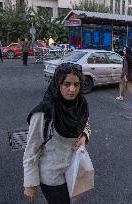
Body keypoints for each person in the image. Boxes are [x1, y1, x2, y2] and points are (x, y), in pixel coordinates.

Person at [23, 62, 91, 204]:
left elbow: (85, 123)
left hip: (74, 170)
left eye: (76, 84)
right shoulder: (44, 112)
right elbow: (31, 149)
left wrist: (84, 136)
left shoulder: (81, 105)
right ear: (58, 84)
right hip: (52, 176)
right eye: (67, 84)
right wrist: (30, 184)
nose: (72, 89)